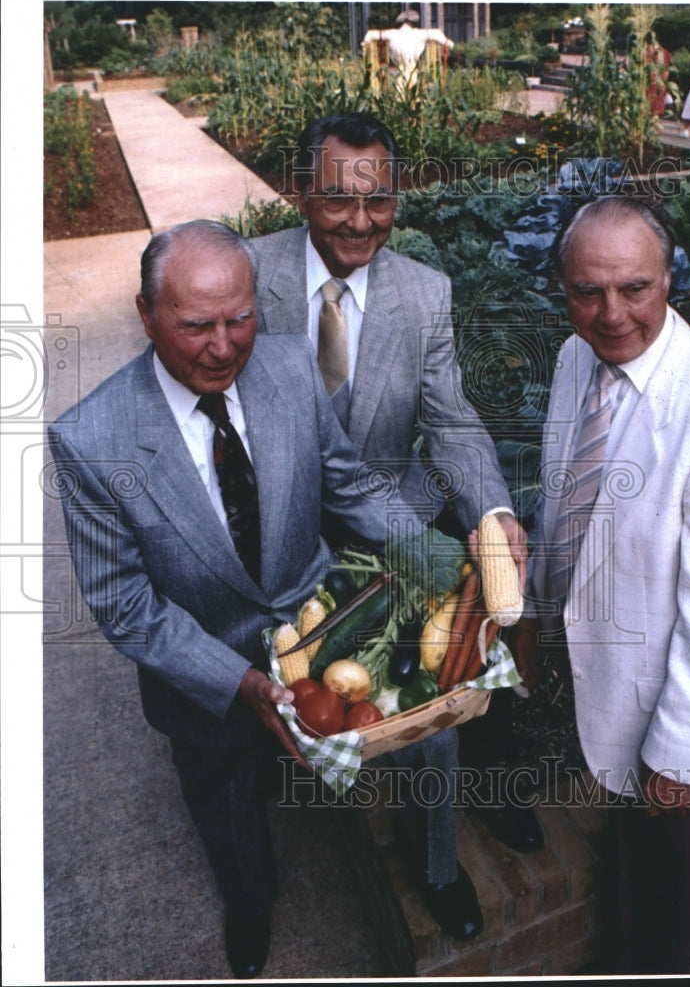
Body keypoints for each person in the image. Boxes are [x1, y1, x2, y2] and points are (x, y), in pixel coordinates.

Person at [46, 220, 478, 979]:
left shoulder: (286, 366)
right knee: (226, 795)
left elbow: (346, 483)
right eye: (195, 326)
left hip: (322, 619)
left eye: (240, 318)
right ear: (146, 315)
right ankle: (250, 903)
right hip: (206, 667)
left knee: (430, 730)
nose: (223, 347)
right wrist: (237, 682)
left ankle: (437, 868)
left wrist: (436, 560)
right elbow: (124, 605)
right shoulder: (90, 440)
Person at [511, 197, 690, 974]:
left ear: (669, 279)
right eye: (586, 291)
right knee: (628, 828)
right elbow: (562, 499)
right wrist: (534, 608)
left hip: (672, 695)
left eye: (634, 288)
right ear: (561, 289)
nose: (609, 315)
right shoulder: (576, 361)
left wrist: (676, 762)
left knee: (665, 861)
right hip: (611, 661)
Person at [251, 111, 542, 855]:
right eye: (337, 199)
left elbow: (449, 423)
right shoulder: (247, 277)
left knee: (457, 667)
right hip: (286, 534)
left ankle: (458, 835)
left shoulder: (422, 293)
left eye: (377, 200)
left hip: (397, 516)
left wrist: (495, 511)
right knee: (319, 692)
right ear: (298, 192)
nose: (359, 222)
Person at [644, 36, 673, 118]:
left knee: (648, 107)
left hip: (649, 82)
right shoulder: (665, 52)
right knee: (656, 109)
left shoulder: (646, 52)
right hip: (660, 83)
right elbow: (667, 69)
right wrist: (664, 82)